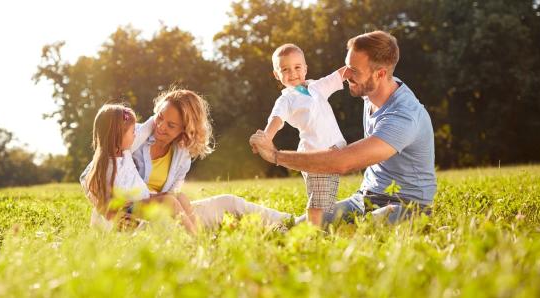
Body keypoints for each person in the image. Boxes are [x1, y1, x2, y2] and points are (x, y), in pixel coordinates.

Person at [249, 30, 437, 225]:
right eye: (347, 68)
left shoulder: (404, 116)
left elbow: (341, 163)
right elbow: (333, 80)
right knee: (302, 227)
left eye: (354, 71)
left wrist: (276, 156)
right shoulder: (371, 91)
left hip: (406, 205)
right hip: (363, 199)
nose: (347, 76)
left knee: (362, 230)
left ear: (380, 74)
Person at [131, 89, 295, 229]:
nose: (161, 126)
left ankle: (294, 223)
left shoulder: (182, 153)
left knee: (228, 202)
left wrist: (186, 217)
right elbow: (109, 175)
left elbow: (173, 196)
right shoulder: (132, 136)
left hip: (165, 214)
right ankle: (192, 237)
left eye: (171, 125)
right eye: (159, 117)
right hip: (133, 217)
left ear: (185, 129)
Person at [260, 43, 347, 226]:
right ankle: (312, 233)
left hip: (334, 151)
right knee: (318, 201)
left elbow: (338, 76)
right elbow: (276, 119)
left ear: (305, 68)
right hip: (315, 153)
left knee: (325, 198)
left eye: (297, 67)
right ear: (277, 75)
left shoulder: (316, 87)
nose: (293, 73)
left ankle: (313, 228)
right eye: (285, 69)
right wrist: (266, 138)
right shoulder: (286, 99)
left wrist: (358, 66)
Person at [80, 104, 198, 234]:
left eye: (171, 125)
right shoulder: (106, 164)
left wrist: (163, 113)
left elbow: (146, 129)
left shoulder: (125, 153)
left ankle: (198, 232)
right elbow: (92, 187)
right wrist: (113, 213)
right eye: (132, 132)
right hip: (129, 209)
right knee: (170, 202)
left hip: (142, 199)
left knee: (180, 197)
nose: (136, 133)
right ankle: (193, 238)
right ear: (118, 136)